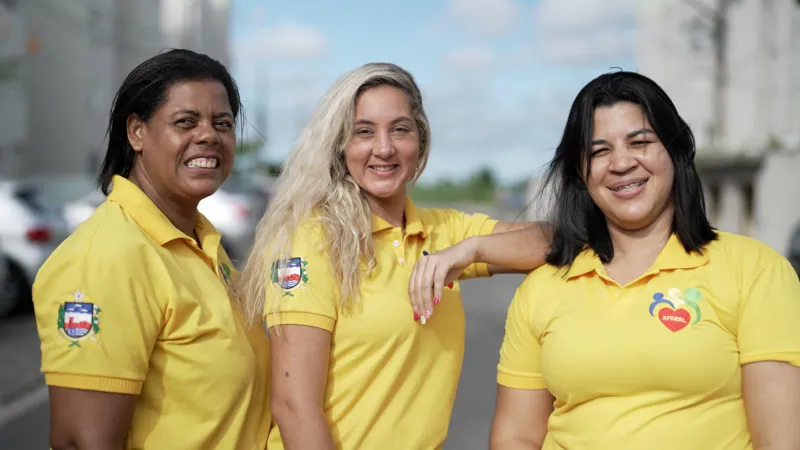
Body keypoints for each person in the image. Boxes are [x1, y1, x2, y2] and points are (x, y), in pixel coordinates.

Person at [237, 62, 552, 450]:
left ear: (420, 140)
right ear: (340, 145)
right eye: (363, 132)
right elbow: (293, 407)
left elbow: (554, 241)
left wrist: (472, 248)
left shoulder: (443, 231)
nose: (383, 148)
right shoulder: (311, 239)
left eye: (399, 129)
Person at [489, 71, 800, 449]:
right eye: (599, 151)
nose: (621, 164)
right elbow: (517, 437)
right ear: (580, 171)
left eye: (640, 142)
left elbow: (780, 441)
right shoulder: (540, 289)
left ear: (675, 150)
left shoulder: (755, 270)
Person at [32, 49, 271, 450]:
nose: (209, 135)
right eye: (185, 121)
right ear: (136, 132)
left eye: (222, 123)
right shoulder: (107, 257)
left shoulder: (204, 245)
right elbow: (80, 441)